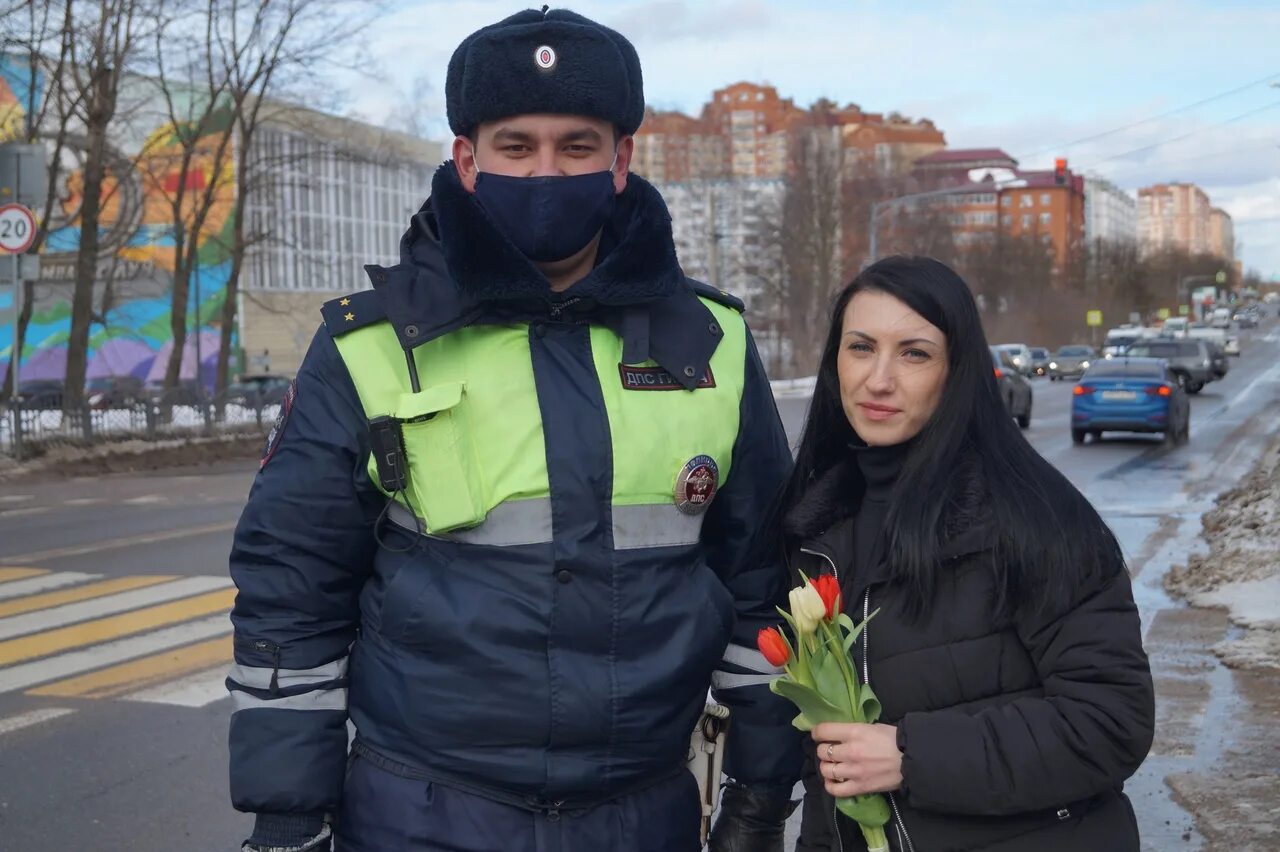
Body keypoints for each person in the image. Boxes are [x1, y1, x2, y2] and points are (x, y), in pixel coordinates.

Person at [226, 7, 801, 852]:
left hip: (644, 818)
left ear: (620, 160)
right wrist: (288, 817)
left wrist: (759, 794)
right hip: (419, 817)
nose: (544, 172)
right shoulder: (371, 347)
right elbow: (293, 587)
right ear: (467, 159)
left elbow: (760, 584)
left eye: (576, 147)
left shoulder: (711, 344)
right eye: (515, 146)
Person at [769, 256, 1155, 851]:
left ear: (958, 372)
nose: (879, 379)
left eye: (914, 353)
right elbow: (830, 766)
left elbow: (1109, 723)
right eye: (861, 347)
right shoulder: (818, 530)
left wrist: (910, 755)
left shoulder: (1034, 519)